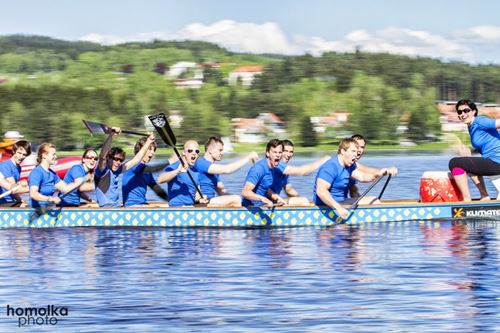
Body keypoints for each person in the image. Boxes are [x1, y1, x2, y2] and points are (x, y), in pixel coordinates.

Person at [313, 138, 390, 219]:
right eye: (353, 151)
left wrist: (378, 174)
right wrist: (338, 208)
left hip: (341, 202)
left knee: (375, 201)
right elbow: (321, 191)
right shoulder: (330, 167)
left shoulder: (349, 166)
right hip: (326, 205)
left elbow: (363, 177)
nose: (356, 155)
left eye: (356, 152)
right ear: (343, 151)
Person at [448, 99, 500, 201]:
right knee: (467, 162)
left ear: (473, 111)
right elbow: (485, 145)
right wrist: (470, 151)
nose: (463, 114)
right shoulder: (471, 127)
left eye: (466, 111)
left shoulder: (479, 121)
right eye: (460, 112)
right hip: (493, 161)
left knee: (454, 163)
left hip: (497, 162)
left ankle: (467, 199)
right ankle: (484, 196)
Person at [94, 127, 156, 207]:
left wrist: (148, 142)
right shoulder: (102, 170)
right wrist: (111, 135)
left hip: (115, 208)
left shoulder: (117, 170)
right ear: (108, 158)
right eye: (115, 159)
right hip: (106, 210)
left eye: (120, 160)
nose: (118, 162)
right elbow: (102, 155)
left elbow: (135, 160)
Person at [195, 136, 258, 207]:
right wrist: (248, 157)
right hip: (202, 202)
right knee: (236, 199)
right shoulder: (201, 163)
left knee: (239, 199)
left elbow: (221, 192)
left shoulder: (214, 170)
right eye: (220, 150)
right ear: (210, 150)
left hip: (211, 201)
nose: (222, 153)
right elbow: (227, 169)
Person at [271, 139, 329, 206]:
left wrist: (300, 198)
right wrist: (324, 160)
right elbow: (302, 171)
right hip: (267, 202)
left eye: (291, 152)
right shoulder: (277, 164)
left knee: (304, 200)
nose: (288, 154)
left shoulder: (284, 170)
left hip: (274, 199)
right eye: (285, 151)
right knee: (303, 201)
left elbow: (289, 190)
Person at [122, 136, 176, 207]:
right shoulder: (132, 165)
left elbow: (157, 189)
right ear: (142, 150)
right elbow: (152, 169)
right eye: (150, 149)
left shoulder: (147, 172)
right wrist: (169, 161)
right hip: (132, 206)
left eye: (154, 150)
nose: (152, 152)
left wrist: (172, 201)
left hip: (142, 204)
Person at [28, 143, 86, 208]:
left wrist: (80, 181)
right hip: (35, 210)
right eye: (53, 154)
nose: (56, 157)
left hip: (47, 209)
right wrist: (50, 199)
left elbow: (66, 188)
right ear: (44, 155)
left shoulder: (52, 174)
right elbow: (33, 194)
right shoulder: (37, 172)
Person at [157, 139, 208, 207]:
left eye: (197, 151)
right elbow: (160, 179)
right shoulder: (175, 166)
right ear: (184, 152)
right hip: (176, 208)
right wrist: (177, 171)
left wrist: (200, 200)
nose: (194, 153)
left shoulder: (196, 172)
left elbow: (197, 196)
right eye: (190, 151)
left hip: (190, 208)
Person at [241, 139, 287, 207]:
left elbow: (265, 187)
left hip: (265, 205)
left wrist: (278, 198)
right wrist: (262, 198)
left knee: (301, 201)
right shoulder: (259, 168)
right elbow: (245, 192)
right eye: (275, 152)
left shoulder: (273, 167)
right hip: (252, 208)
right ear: (267, 153)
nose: (278, 155)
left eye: (280, 152)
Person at [0, 140, 31, 206]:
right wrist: (33, 188)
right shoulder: (5, 166)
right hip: (3, 201)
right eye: (19, 153)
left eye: (24, 154)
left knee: (29, 203)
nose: (21, 156)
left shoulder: (19, 168)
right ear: (14, 151)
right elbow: (13, 189)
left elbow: (15, 189)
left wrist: (20, 200)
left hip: (12, 201)